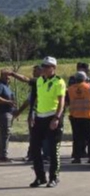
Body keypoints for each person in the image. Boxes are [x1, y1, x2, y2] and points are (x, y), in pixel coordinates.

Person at [29, 56, 66, 188]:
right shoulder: (39, 80)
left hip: (52, 117)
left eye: (47, 66)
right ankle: (40, 177)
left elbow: (61, 101)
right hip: (39, 117)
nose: (44, 68)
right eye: (43, 66)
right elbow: (38, 99)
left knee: (52, 149)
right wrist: (33, 113)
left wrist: (56, 118)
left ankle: (54, 177)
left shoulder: (59, 82)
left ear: (53, 68)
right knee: (35, 148)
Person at [10, 65, 50, 162]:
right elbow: (28, 100)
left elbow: (24, 79)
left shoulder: (38, 81)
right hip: (43, 112)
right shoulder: (41, 83)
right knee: (38, 134)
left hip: (38, 112)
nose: (33, 73)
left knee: (37, 134)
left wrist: (12, 74)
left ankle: (39, 155)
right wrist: (19, 112)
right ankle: (35, 154)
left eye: (35, 71)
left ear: (42, 72)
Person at [67, 71, 90, 164]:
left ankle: (77, 158)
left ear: (75, 79)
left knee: (77, 138)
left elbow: (67, 101)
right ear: (85, 78)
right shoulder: (89, 87)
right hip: (88, 116)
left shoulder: (70, 89)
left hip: (75, 116)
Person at [67, 62, 90, 160]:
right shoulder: (89, 85)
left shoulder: (70, 88)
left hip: (76, 114)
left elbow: (67, 97)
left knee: (78, 137)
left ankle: (78, 155)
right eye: (87, 71)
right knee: (89, 137)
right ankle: (89, 157)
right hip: (88, 114)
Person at [0, 70, 16, 163]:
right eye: (6, 76)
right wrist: (8, 102)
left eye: (9, 76)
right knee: (5, 134)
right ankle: (3, 156)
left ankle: (2, 154)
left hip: (9, 112)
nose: (8, 78)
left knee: (5, 134)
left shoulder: (7, 86)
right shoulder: (1, 85)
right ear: (1, 76)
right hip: (3, 113)